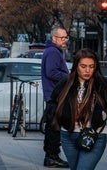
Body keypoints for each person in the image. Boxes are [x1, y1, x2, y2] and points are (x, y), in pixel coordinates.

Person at [50, 49, 107, 170]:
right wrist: (61, 116)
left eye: (91, 66)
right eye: (83, 66)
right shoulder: (66, 83)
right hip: (68, 135)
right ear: (76, 66)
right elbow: (52, 103)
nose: (88, 70)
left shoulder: (102, 84)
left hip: (95, 136)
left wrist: (103, 115)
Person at [41, 27, 70, 168]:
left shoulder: (53, 51)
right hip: (55, 94)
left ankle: (51, 156)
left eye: (66, 37)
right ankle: (52, 157)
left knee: (53, 127)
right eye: (62, 38)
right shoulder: (53, 52)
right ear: (54, 38)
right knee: (54, 127)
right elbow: (51, 72)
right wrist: (69, 78)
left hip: (53, 94)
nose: (65, 40)